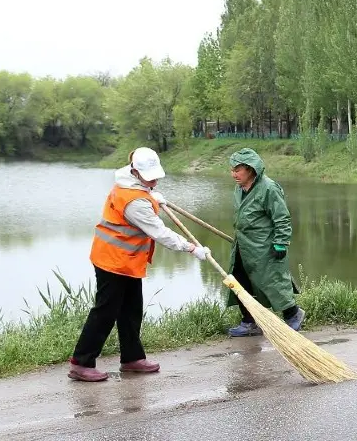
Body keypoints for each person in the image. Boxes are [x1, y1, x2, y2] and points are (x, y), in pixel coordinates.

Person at [68, 148, 212, 382]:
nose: (154, 180)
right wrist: (191, 248)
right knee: (105, 311)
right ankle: (81, 362)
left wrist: (151, 194)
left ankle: (132, 358)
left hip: (128, 260)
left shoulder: (131, 184)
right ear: (135, 172)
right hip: (112, 260)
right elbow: (160, 233)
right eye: (149, 177)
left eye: (155, 175)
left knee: (131, 309)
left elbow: (141, 195)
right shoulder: (134, 201)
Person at [224, 148, 304, 337]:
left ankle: (293, 314)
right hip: (243, 245)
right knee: (239, 282)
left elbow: (282, 217)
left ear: (251, 169)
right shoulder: (239, 188)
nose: (234, 174)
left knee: (272, 282)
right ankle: (249, 321)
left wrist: (281, 242)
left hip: (264, 246)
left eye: (238, 170)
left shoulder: (268, 188)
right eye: (232, 170)